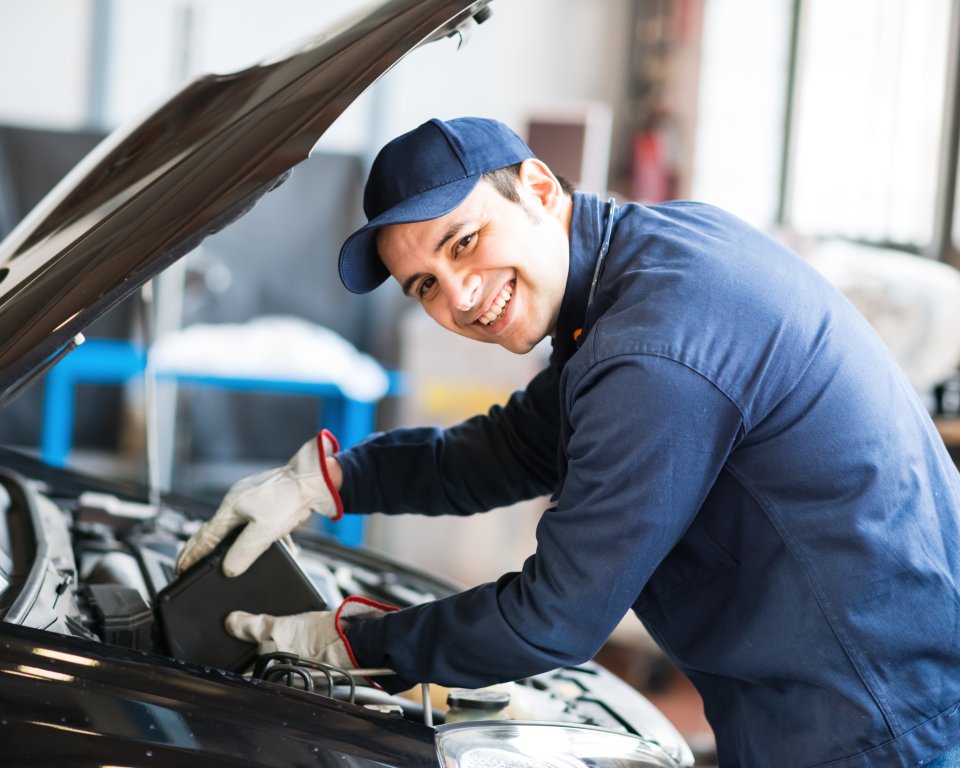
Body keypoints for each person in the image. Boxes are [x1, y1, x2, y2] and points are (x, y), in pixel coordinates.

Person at [175, 117, 960, 767]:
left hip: (884, 724)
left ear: (541, 189)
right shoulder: (640, 269)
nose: (461, 297)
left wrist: (353, 642)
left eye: (463, 242)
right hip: (853, 698)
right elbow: (511, 449)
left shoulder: (651, 348)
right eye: (425, 287)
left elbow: (554, 618)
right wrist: (324, 480)